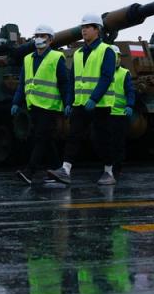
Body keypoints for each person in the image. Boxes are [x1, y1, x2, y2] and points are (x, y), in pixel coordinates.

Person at [46, 14, 117, 186]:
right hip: (80, 104)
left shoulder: (106, 51)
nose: (84, 29)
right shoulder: (77, 54)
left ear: (97, 30)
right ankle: (65, 170)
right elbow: (72, 80)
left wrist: (94, 98)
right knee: (73, 136)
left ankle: (109, 172)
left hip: (100, 104)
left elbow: (106, 77)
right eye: (83, 27)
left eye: (88, 26)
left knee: (101, 139)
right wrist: (69, 102)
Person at [11, 24, 71, 184]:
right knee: (46, 139)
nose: (39, 39)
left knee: (40, 138)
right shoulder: (27, 59)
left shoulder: (56, 58)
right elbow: (22, 84)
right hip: (34, 107)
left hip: (49, 106)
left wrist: (67, 103)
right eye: (37, 36)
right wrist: (16, 102)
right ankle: (59, 171)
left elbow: (64, 83)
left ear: (50, 40)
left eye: (43, 36)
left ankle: (29, 172)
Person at [107, 45, 135, 179]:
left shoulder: (124, 73)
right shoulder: (102, 72)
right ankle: (107, 167)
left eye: (117, 57)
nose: (116, 60)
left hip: (119, 114)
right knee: (104, 142)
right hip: (105, 113)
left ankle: (116, 169)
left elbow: (130, 91)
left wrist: (129, 105)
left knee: (118, 144)